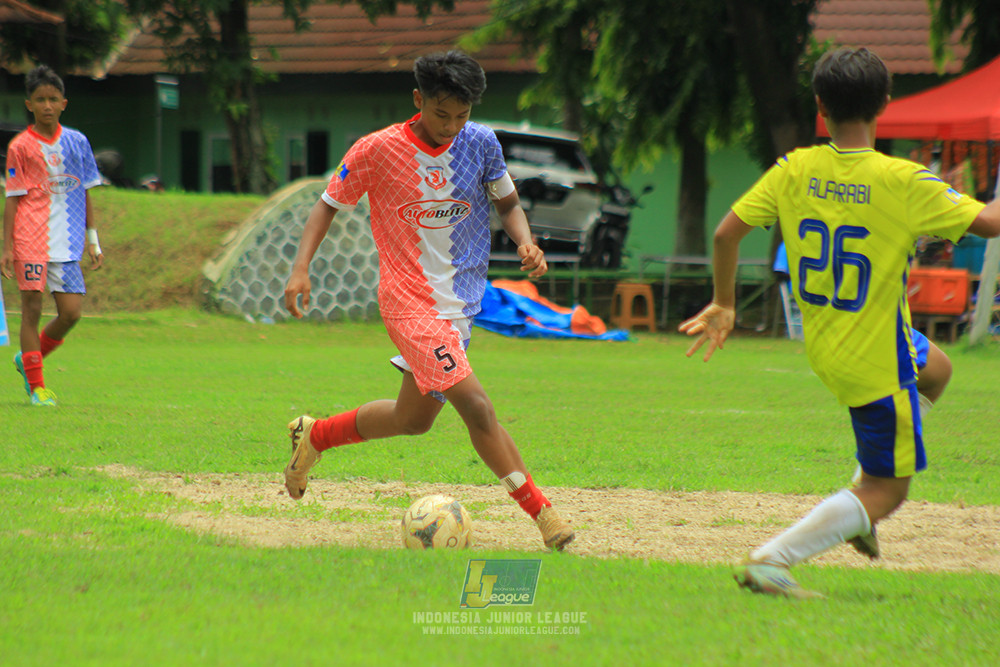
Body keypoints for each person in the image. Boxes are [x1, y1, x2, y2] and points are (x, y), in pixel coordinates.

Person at [680, 47, 1000, 597]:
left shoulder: (794, 168)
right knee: (888, 490)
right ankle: (773, 559)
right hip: (877, 359)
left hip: (828, 343)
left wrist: (725, 302)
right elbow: (991, 223)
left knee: (938, 371)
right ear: (885, 103)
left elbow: (725, 234)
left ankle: (857, 504)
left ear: (820, 106)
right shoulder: (902, 179)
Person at [281, 51, 574, 550]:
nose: (451, 126)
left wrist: (526, 241)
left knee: (412, 420)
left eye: (462, 115)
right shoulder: (376, 150)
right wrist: (301, 268)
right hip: (409, 304)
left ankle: (315, 435)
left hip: (460, 306)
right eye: (442, 114)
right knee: (477, 408)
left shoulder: (480, 142)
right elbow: (327, 205)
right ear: (418, 100)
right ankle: (544, 515)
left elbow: (507, 203)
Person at [2, 65, 104, 407]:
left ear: (64, 103)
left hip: (68, 242)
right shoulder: (20, 147)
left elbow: (86, 191)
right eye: (40, 99)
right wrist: (7, 247)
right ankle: (37, 388)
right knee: (31, 310)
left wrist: (93, 240)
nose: (47, 105)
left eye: (53, 99)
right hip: (30, 239)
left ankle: (27, 360)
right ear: (29, 104)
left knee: (71, 313)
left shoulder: (78, 142)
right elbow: (12, 199)